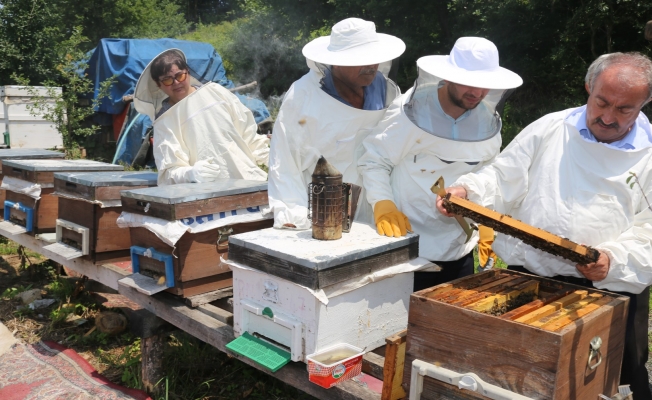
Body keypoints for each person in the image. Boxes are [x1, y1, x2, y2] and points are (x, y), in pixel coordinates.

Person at [437, 52, 652, 399]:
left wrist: (614, 260)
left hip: (611, 288)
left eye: (624, 109)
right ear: (588, 87)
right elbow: (505, 176)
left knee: (615, 378)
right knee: (523, 376)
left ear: (645, 103)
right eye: (601, 102)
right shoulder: (550, 128)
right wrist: (468, 190)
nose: (608, 117)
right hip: (532, 278)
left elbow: (650, 233)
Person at [358, 37, 522, 290]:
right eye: (469, 83)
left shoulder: (487, 121)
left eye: (485, 86)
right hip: (404, 243)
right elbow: (374, 161)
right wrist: (383, 203)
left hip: (459, 245)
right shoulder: (409, 111)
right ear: (449, 76)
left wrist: (486, 223)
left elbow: (489, 173)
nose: (477, 93)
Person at [267, 18, 406, 229]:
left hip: (377, 206)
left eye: (374, 58)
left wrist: (386, 201)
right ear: (336, 60)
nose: (371, 66)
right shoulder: (302, 96)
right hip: (321, 209)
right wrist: (292, 217)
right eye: (361, 59)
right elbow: (285, 162)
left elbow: (391, 152)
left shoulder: (388, 92)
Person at [133, 48, 270, 185]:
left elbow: (249, 134)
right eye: (167, 80)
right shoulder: (164, 121)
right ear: (159, 84)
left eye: (180, 76)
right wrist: (190, 173)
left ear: (188, 72)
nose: (176, 83)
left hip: (250, 183)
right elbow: (168, 172)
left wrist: (272, 161)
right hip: (204, 196)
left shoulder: (216, 92)